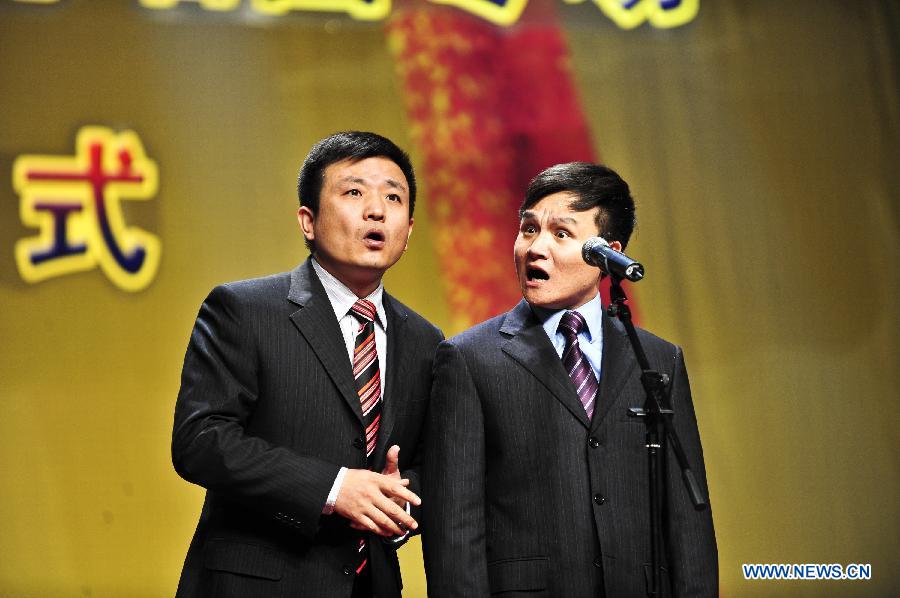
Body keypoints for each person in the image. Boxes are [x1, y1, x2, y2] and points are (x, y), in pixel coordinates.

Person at [422, 162, 717, 597]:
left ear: (606, 253)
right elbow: (454, 526)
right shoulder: (469, 359)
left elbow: (687, 523)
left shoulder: (657, 359)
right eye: (528, 229)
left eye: (561, 234)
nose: (536, 248)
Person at [172, 131, 443, 598]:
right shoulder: (244, 309)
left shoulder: (426, 341)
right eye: (354, 192)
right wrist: (333, 489)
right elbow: (201, 440)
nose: (376, 210)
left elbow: (427, 467)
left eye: (393, 197)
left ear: (409, 230)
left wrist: (398, 502)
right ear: (308, 220)